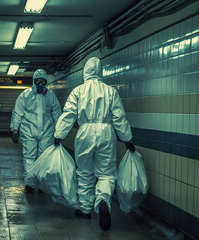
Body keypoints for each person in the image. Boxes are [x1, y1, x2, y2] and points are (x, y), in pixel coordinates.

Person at [53, 57, 135, 231]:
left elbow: (68, 114)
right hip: (107, 132)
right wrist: (127, 139)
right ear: (100, 72)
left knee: (84, 172)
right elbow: (119, 118)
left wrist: (58, 134)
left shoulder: (78, 91)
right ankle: (103, 200)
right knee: (106, 173)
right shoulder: (110, 92)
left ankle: (85, 209)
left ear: (85, 72)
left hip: (85, 133)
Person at [11, 69, 62, 193]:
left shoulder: (51, 96)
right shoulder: (25, 95)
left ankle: (41, 183)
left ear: (46, 82)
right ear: (33, 81)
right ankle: (30, 183)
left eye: (43, 81)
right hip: (29, 131)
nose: (40, 84)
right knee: (29, 157)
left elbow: (57, 114)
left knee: (43, 158)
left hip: (47, 132)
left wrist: (59, 133)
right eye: (37, 81)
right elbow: (17, 113)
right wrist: (14, 129)